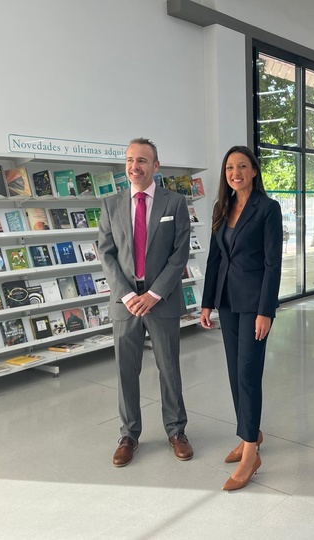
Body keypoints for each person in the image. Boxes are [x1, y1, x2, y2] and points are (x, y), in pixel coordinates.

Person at [98, 137, 193, 467]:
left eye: (141, 160)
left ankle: (176, 430)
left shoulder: (175, 203)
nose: (134, 166)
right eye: (129, 160)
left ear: (156, 165)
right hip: (125, 302)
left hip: (161, 301)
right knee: (126, 371)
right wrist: (127, 295)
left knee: (169, 368)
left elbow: (180, 254)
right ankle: (129, 435)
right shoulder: (111, 204)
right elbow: (106, 254)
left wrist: (153, 294)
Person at [199, 145, 283, 491]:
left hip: (253, 305)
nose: (235, 172)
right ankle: (250, 433)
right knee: (235, 373)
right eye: (230, 167)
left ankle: (251, 454)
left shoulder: (268, 209)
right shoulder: (223, 207)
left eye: (242, 166)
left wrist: (266, 310)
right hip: (227, 302)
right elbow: (214, 259)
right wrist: (206, 303)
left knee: (248, 373)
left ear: (254, 171)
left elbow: (272, 263)